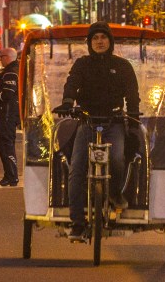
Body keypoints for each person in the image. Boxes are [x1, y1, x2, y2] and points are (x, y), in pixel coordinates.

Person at [59, 22, 141, 238]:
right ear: (89, 43)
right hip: (87, 121)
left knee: (116, 159)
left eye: (103, 37)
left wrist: (133, 119)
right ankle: (77, 222)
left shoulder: (122, 66)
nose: (99, 42)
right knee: (76, 168)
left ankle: (114, 193)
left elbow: (132, 94)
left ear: (110, 41)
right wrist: (67, 102)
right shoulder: (82, 64)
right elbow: (72, 83)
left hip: (114, 122)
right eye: (95, 38)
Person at [0, 45, 20, 187]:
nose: (0, 60)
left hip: (7, 114)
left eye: (1, 57)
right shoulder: (14, 70)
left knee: (6, 144)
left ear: (7, 58)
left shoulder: (10, 73)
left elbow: (8, 94)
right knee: (3, 143)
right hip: (8, 113)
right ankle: (9, 175)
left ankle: (12, 176)